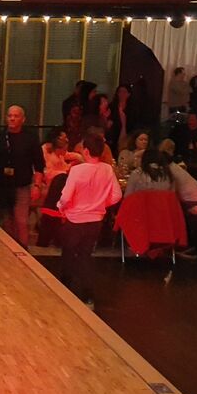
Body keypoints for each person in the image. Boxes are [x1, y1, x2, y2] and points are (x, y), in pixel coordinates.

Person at [57, 130, 122, 308]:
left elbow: (66, 197)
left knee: (69, 254)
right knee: (85, 256)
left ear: (85, 150)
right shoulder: (107, 169)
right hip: (95, 220)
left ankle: (64, 290)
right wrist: (101, 203)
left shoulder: (77, 170)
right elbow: (117, 195)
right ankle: (88, 297)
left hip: (75, 219)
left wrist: (61, 207)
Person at [0, 105, 46, 247]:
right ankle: (8, 251)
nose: (12, 119)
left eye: (16, 116)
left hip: (22, 185)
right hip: (2, 186)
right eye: (9, 116)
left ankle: (23, 251)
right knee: (6, 221)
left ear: (23, 119)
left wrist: (37, 186)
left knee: (21, 221)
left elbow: (39, 165)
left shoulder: (30, 138)